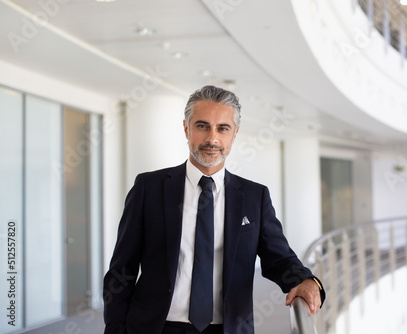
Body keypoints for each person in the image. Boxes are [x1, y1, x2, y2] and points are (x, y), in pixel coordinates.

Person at [103, 85, 325, 334]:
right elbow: (122, 269)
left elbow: (278, 258)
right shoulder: (149, 188)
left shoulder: (254, 196)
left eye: (223, 128)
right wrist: (115, 327)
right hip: (156, 327)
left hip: (227, 328)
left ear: (235, 134)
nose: (212, 139)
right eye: (202, 126)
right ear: (186, 129)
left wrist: (305, 280)